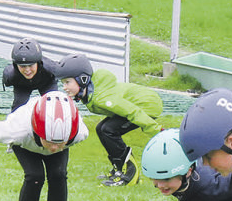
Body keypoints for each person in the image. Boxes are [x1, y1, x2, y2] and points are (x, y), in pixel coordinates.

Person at [52, 52, 162, 187]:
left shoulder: (102, 98)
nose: (64, 87)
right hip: (139, 104)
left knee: (108, 130)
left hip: (147, 105)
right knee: (101, 129)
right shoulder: (93, 93)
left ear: (83, 80)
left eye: (67, 82)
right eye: (63, 83)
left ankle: (130, 175)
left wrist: (157, 132)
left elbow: (132, 111)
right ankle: (118, 169)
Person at [2, 37, 57, 105]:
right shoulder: (10, 75)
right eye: (23, 66)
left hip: (46, 82)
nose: (27, 70)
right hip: (22, 85)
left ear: (38, 63)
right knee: (18, 107)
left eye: (31, 65)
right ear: (16, 65)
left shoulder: (51, 69)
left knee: (53, 104)